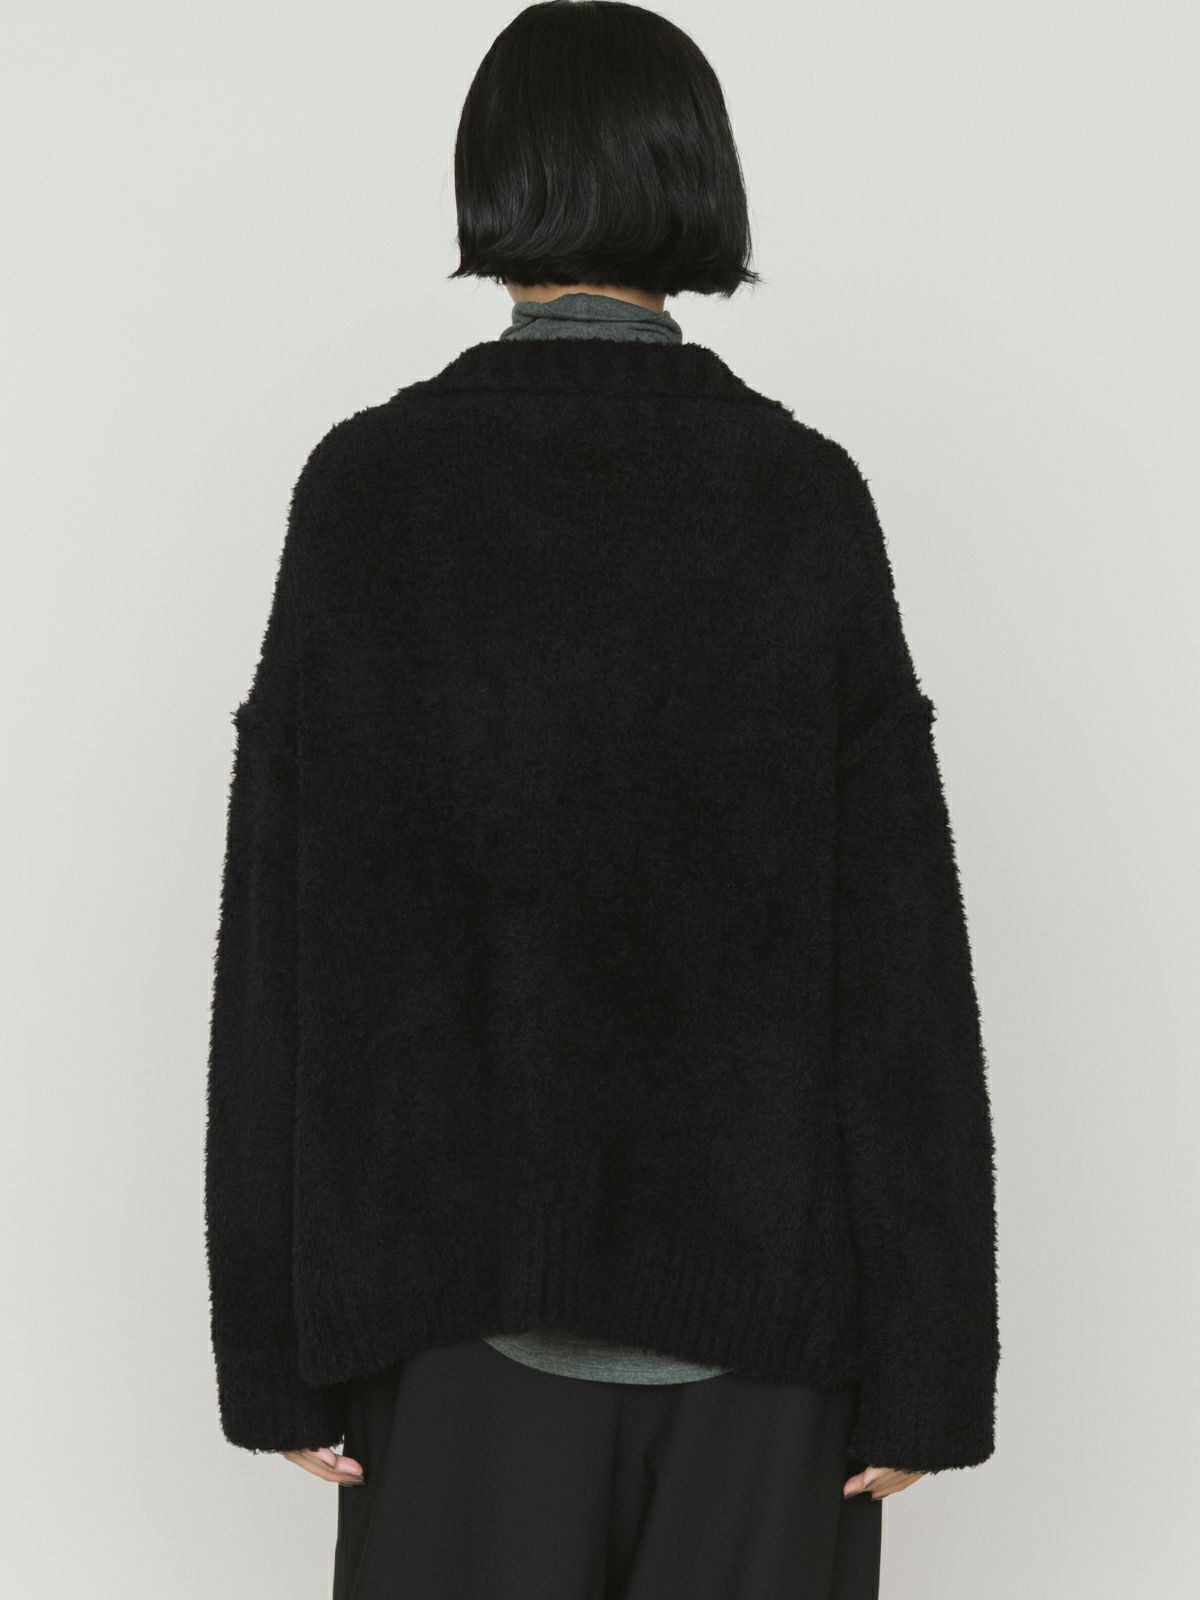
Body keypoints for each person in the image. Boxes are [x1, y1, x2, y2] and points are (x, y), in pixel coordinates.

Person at [203, 4, 1000, 1597]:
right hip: (767, 1358)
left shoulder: (367, 492)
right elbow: (898, 964)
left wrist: (269, 1348)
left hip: (448, 1344)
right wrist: (933, 1364)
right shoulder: (800, 496)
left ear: (490, 182)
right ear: (697, 179)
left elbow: (282, 935)